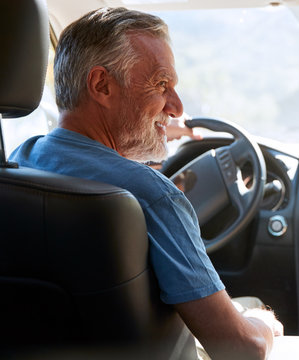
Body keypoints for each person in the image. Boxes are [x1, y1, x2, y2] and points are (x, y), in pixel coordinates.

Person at [9, 7, 282, 360]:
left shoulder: (18, 163)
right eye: (161, 84)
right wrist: (264, 323)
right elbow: (241, 349)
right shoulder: (153, 196)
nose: (177, 107)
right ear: (102, 85)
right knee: (255, 310)